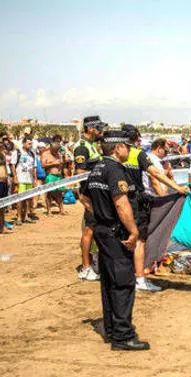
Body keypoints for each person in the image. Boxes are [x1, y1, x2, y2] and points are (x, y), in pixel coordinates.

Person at [81, 130, 149, 351]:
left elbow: (83, 196)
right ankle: (122, 335)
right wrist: (133, 231)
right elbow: (121, 203)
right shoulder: (114, 170)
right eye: (126, 146)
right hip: (114, 232)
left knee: (109, 281)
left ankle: (112, 329)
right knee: (122, 282)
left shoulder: (97, 168)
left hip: (101, 229)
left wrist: (99, 213)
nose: (128, 150)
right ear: (117, 147)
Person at [121, 125, 189, 292]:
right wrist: (177, 188)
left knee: (124, 237)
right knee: (139, 240)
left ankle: (124, 275)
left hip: (120, 200)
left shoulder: (112, 155)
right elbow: (155, 174)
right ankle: (140, 279)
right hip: (137, 201)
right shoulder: (138, 154)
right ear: (135, 139)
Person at [75, 116, 106, 281]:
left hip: (97, 194)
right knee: (89, 230)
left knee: (96, 229)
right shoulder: (81, 148)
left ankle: (94, 262)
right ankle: (86, 267)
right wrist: (85, 199)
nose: (100, 130)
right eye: (98, 127)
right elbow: (80, 175)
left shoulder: (93, 145)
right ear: (90, 128)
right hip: (89, 195)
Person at [13, 136, 38, 225]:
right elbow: (13, 165)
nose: (30, 145)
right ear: (23, 143)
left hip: (29, 180)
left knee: (28, 199)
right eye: (28, 143)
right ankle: (19, 217)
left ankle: (26, 216)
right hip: (21, 179)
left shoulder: (32, 154)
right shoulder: (17, 152)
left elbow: (34, 167)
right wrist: (15, 178)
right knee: (20, 199)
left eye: (31, 143)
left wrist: (35, 179)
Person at [41, 135, 66, 216]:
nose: (56, 152)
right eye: (54, 150)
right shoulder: (45, 154)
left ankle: (61, 210)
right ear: (51, 148)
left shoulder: (58, 154)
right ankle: (49, 211)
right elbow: (43, 165)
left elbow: (62, 163)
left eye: (57, 150)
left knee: (59, 193)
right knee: (49, 194)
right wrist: (53, 163)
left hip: (59, 176)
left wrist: (62, 162)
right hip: (50, 176)